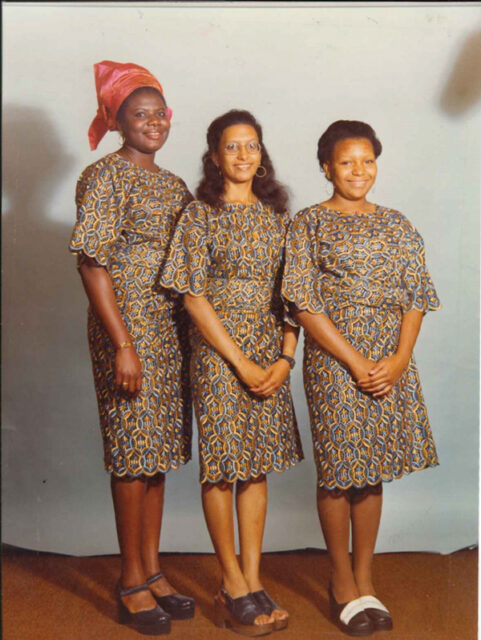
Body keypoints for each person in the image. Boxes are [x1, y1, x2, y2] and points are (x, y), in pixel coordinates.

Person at [282, 120, 440, 637]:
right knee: (339, 470)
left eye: (367, 160)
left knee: (369, 469)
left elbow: (416, 295)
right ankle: (341, 581)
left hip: (389, 359)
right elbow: (302, 302)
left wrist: (398, 358)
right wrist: (353, 360)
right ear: (326, 167)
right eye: (346, 162)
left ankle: (367, 577)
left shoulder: (397, 223)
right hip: (335, 359)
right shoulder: (308, 223)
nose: (358, 171)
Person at [159, 109, 304, 636]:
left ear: (261, 154)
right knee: (222, 465)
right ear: (214, 156)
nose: (243, 156)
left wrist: (283, 361)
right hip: (219, 355)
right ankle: (231, 583)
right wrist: (240, 362)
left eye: (252, 146)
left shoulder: (280, 220)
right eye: (232, 147)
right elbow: (192, 296)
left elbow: (296, 300)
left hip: (269, 357)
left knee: (256, 466)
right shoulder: (199, 215)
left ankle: (253, 578)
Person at [69, 60, 195, 635]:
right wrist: (123, 343)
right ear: (116, 121)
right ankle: (128, 581)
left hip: (171, 331)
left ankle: (152, 571)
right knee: (131, 451)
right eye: (138, 115)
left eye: (158, 114)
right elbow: (93, 263)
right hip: (128, 330)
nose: (152, 123)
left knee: (158, 454)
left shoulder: (173, 184)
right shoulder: (104, 177)